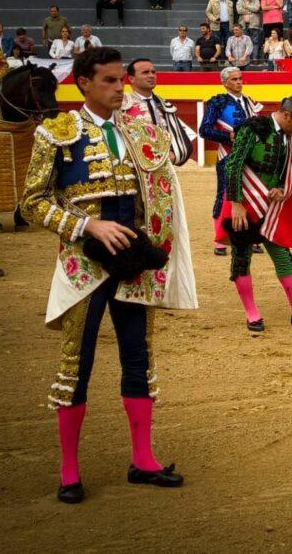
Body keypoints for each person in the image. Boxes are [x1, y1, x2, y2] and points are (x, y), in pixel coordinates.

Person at [20, 47, 195, 504]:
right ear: (83, 82)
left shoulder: (141, 131)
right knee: (76, 364)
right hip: (85, 262)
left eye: (122, 80)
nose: (121, 88)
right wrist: (87, 226)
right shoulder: (57, 133)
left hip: (132, 263)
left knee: (139, 358)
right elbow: (32, 203)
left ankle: (143, 459)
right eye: (110, 81)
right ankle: (69, 470)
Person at [220, 95, 292, 333]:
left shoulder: (291, 136)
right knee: (242, 257)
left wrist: (282, 187)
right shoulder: (252, 129)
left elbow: (288, 170)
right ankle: (252, 314)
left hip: (272, 206)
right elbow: (233, 165)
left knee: (282, 253)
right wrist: (236, 203)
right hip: (246, 202)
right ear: (286, 115)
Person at [199, 67, 262, 256]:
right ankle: (220, 241)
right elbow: (204, 130)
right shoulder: (217, 102)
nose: (239, 82)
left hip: (251, 156)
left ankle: (252, 237)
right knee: (224, 194)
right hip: (228, 155)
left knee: (251, 193)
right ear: (224, 83)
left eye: (240, 78)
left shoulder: (250, 101)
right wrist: (228, 137)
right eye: (234, 79)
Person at [123, 57, 196, 167]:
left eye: (153, 72)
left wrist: (174, 156)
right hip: (133, 168)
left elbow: (180, 138)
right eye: (145, 72)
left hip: (164, 169)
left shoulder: (164, 105)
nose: (151, 75)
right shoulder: (123, 105)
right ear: (131, 79)